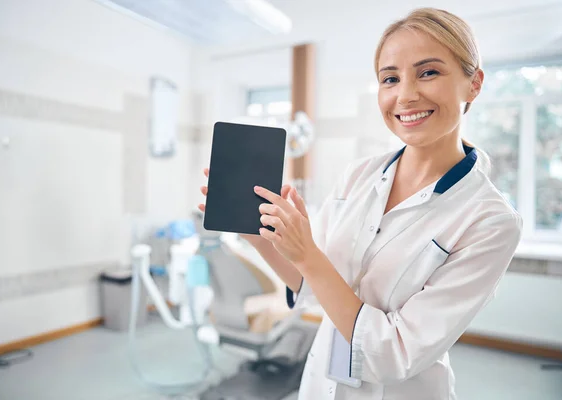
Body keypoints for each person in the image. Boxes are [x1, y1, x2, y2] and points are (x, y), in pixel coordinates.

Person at [199, 7, 522, 400]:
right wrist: (258, 234)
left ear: (474, 84)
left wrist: (308, 255)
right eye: (390, 78)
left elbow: (394, 353)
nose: (406, 94)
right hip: (320, 384)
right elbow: (313, 287)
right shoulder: (358, 176)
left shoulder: (490, 220)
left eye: (428, 72)